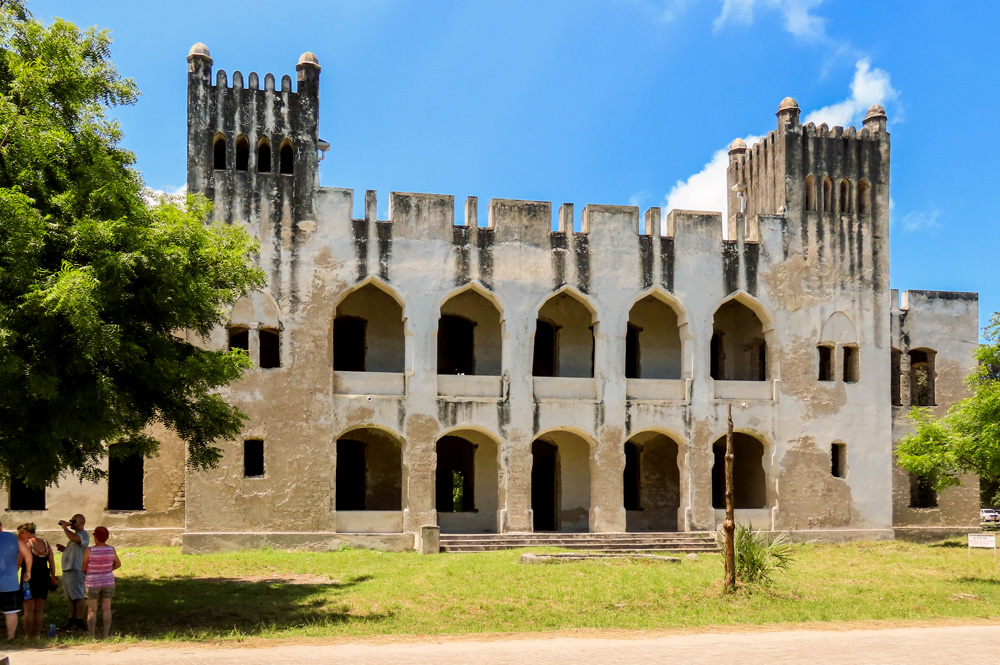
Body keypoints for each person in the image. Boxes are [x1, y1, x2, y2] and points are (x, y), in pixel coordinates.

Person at [17, 523, 57, 639]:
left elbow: (18, 564)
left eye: (21, 534)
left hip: (28, 579)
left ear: (26, 533)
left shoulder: (26, 545)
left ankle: (28, 635)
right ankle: (38, 634)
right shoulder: (45, 543)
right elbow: (52, 562)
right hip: (43, 577)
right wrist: (53, 575)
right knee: (39, 609)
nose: (20, 537)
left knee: (28, 609)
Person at [81, 526, 120, 638]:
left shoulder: (89, 551)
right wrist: (107, 570)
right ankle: (106, 634)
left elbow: (83, 567)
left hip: (92, 582)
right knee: (107, 609)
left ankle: (91, 635)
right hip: (108, 581)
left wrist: (92, 572)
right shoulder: (111, 549)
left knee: (92, 609)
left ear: (96, 537)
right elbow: (118, 564)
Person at [55, 513, 88, 631]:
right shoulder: (75, 536)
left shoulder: (83, 534)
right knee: (71, 597)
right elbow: (75, 548)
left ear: (82, 523)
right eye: (71, 520)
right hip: (68, 570)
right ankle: (72, 620)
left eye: (74, 521)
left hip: (76, 569)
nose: (71, 523)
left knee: (79, 596)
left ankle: (80, 621)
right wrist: (64, 549)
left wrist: (65, 527)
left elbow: (75, 539)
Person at [0, 520, 29, 641]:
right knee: (11, 612)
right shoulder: (13, 538)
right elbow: (27, 554)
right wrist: (28, 572)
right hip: (10, 582)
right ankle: (11, 637)